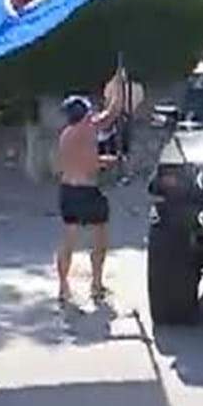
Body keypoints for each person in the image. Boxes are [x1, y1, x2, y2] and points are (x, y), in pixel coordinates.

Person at [55, 68, 126, 305]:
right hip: (86, 190)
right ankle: (96, 284)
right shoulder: (87, 129)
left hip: (68, 190)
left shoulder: (66, 135)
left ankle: (63, 287)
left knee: (68, 240)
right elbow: (113, 113)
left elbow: (80, 161)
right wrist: (118, 85)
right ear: (83, 114)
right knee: (100, 239)